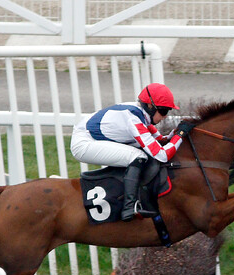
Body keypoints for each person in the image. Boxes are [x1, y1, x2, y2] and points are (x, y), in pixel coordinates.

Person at [70, 82, 194, 220]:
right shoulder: (134, 119)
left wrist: (175, 134)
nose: (165, 116)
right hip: (84, 143)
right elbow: (161, 155)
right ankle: (130, 207)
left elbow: (160, 141)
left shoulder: (142, 114)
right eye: (163, 111)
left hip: (90, 135)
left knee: (141, 154)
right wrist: (180, 136)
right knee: (138, 156)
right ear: (150, 106)